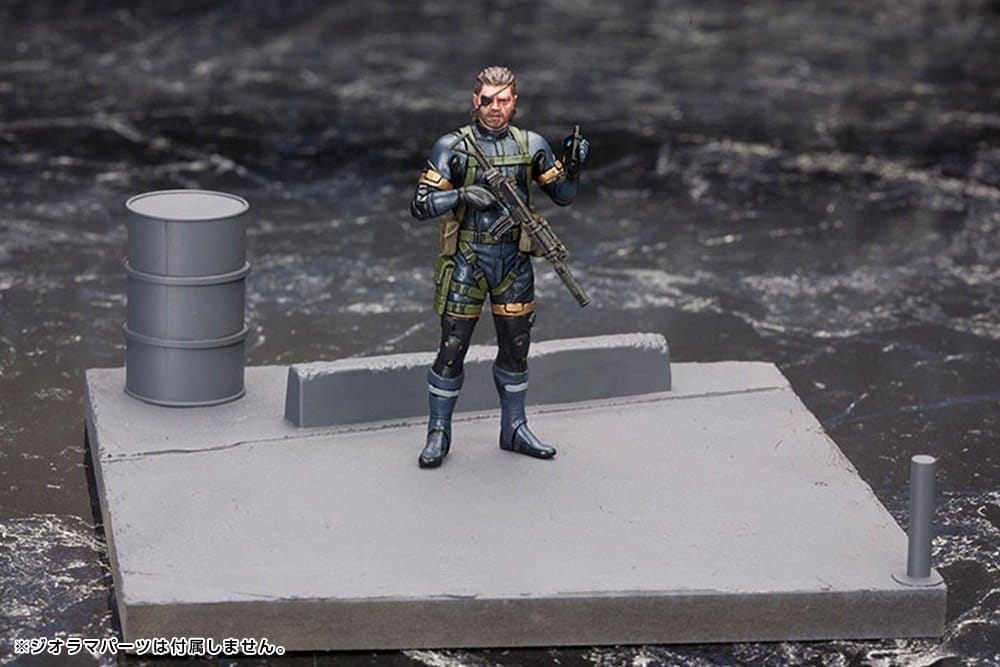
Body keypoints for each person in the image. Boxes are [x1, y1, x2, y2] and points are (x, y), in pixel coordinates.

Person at [410, 65, 590, 469]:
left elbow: (562, 195)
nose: (495, 108)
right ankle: (438, 432)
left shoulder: (531, 144)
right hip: (468, 261)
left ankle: (514, 427)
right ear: (475, 100)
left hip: (513, 262)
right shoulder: (453, 146)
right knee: (451, 349)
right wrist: (461, 195)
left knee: (516, 348)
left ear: (514, 102)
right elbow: (420, 204)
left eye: (503, 100)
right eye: (488, 100)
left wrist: (574, 165)